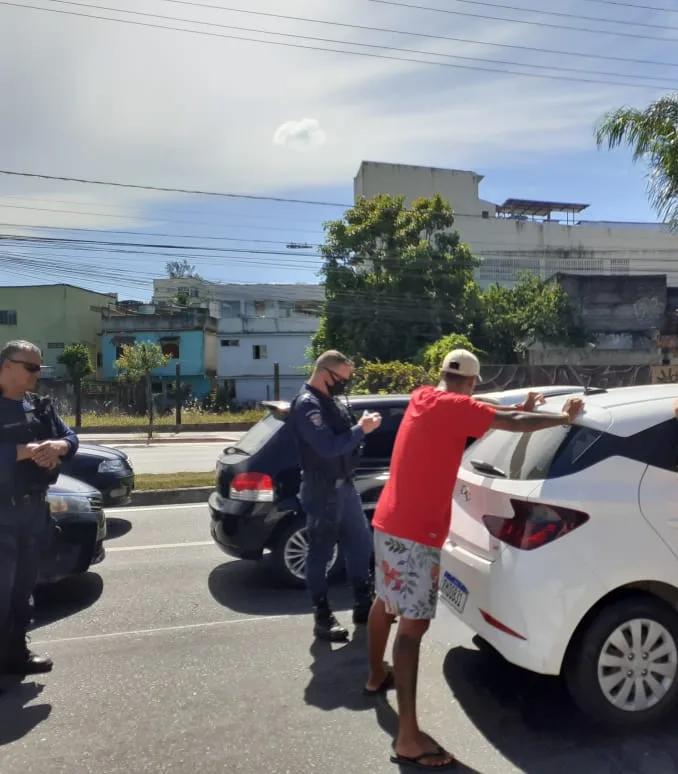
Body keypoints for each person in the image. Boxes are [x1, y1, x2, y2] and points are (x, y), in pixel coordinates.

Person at [364, 349, 585, 770]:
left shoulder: (424, 397)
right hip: (416, 533)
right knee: (412, 630)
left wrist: (521, 404)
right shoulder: (456, 407)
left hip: (389, 521)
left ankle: (376, 675)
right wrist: (562, 418)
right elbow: (509, 423)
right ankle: (407, 738)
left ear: (443, 374)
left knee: (384, 600)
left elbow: (485, 408)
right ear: (473, 381)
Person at [290, 350, 383, 642]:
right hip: (322, 488)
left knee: (361, 543)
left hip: (344, 486)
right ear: (324, 373)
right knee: (320, 553)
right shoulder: (308, 405)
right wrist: (362, 429)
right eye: (341, 379)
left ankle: (362, 603)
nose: (344, 384)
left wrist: (360, 428)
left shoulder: (329, 401)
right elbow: (328, 447)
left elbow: (345, 439)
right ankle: (322, 616)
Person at [0, 340, 79, 681]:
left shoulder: (38, 407)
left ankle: (17, 654)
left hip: (32, 513)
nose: (36, 374)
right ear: (6, 365)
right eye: (30, 367)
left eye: (38, 368)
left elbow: (70, 437)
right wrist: (27, 451)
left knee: (23, 589)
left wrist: (56, 447)